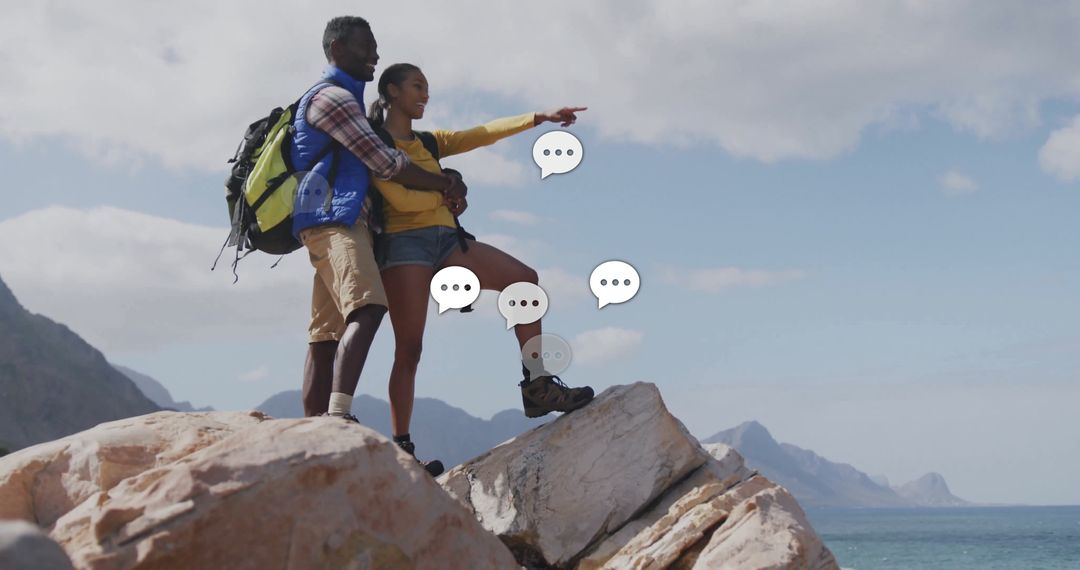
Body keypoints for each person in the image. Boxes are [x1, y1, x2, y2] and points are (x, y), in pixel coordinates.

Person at [366, 63, 594, 467]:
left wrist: (540, 117)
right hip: (404, 246)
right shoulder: (374, 144)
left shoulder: (429, 142)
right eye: (417, 86)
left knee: (524, 281)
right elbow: (400, 200)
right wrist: (446, 191)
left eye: (427, 87)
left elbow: (483, 133)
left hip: (447, 240)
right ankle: (402, 448)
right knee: (410, 348)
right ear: (392, 91)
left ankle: (537, 385)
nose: (425, 94)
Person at [292, 18, 467, 472]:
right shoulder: (332, 99)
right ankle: (337, 417)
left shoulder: (346, 98)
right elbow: (384, 162)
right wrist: (443, 181)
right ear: (337, 48)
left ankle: (312, 441)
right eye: (365, 46)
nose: (375, 54)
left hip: (335, 220)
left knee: (325, 335)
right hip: (335, 219)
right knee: (368, 307)